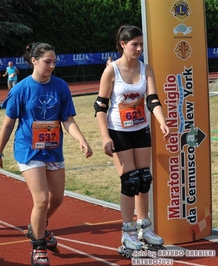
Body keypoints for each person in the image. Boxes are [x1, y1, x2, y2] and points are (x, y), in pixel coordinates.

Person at [0, 42, 93, 266]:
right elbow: (8, 125)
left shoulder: (61, 87)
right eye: (47, 61)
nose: (52, 66)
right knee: (42, 198)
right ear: (34, 61)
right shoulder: (21, 89)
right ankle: (38, 247)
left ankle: (37, 228)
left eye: (54, 62)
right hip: (28, 149)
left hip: (53, 150)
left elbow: (67, 119)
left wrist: (81, 139)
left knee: (57, 198)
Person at [94, 25, 170, 258]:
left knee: (144, 179)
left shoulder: (146, 69)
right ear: (122, 45)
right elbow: (100, 106)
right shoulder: (112, 71)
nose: (139, 48)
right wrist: (106, 136)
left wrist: (161, 121)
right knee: (130, 181)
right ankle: (127, 231)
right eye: (134, 44)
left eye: (141, 44)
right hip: (119, 131)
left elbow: (153, 99)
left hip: (140, 128)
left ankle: (144, 227)